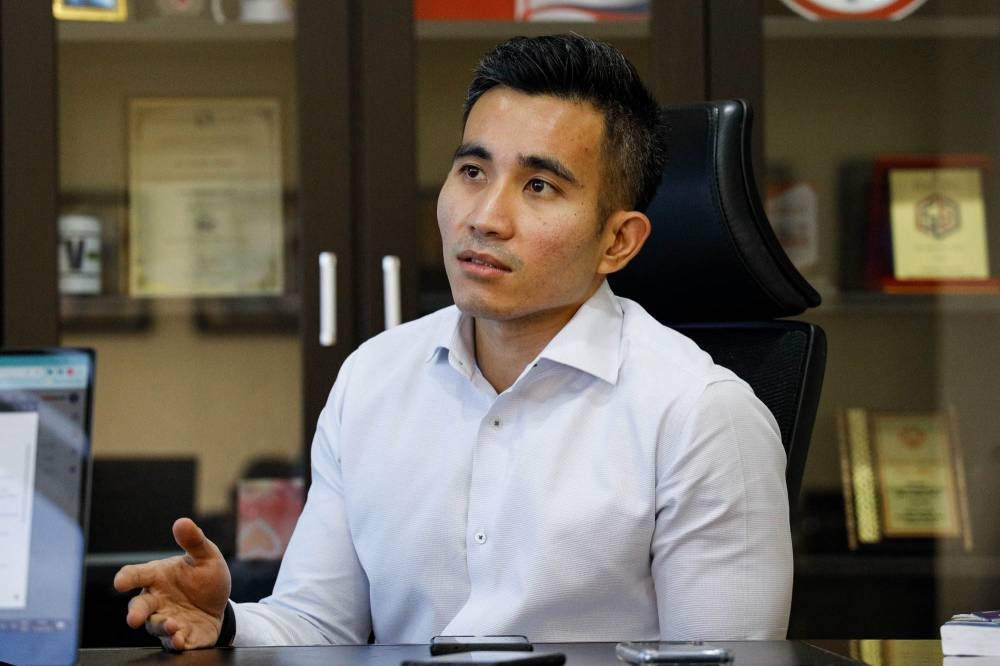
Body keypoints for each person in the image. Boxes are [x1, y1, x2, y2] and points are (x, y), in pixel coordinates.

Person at [114, 34, 792, 650]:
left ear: (618, 241)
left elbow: (721, 662)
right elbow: (320, 624)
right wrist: (226, 620)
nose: (485, 218)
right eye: (472, 172)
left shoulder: (702, 416)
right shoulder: (373, 377)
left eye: (538, 186)